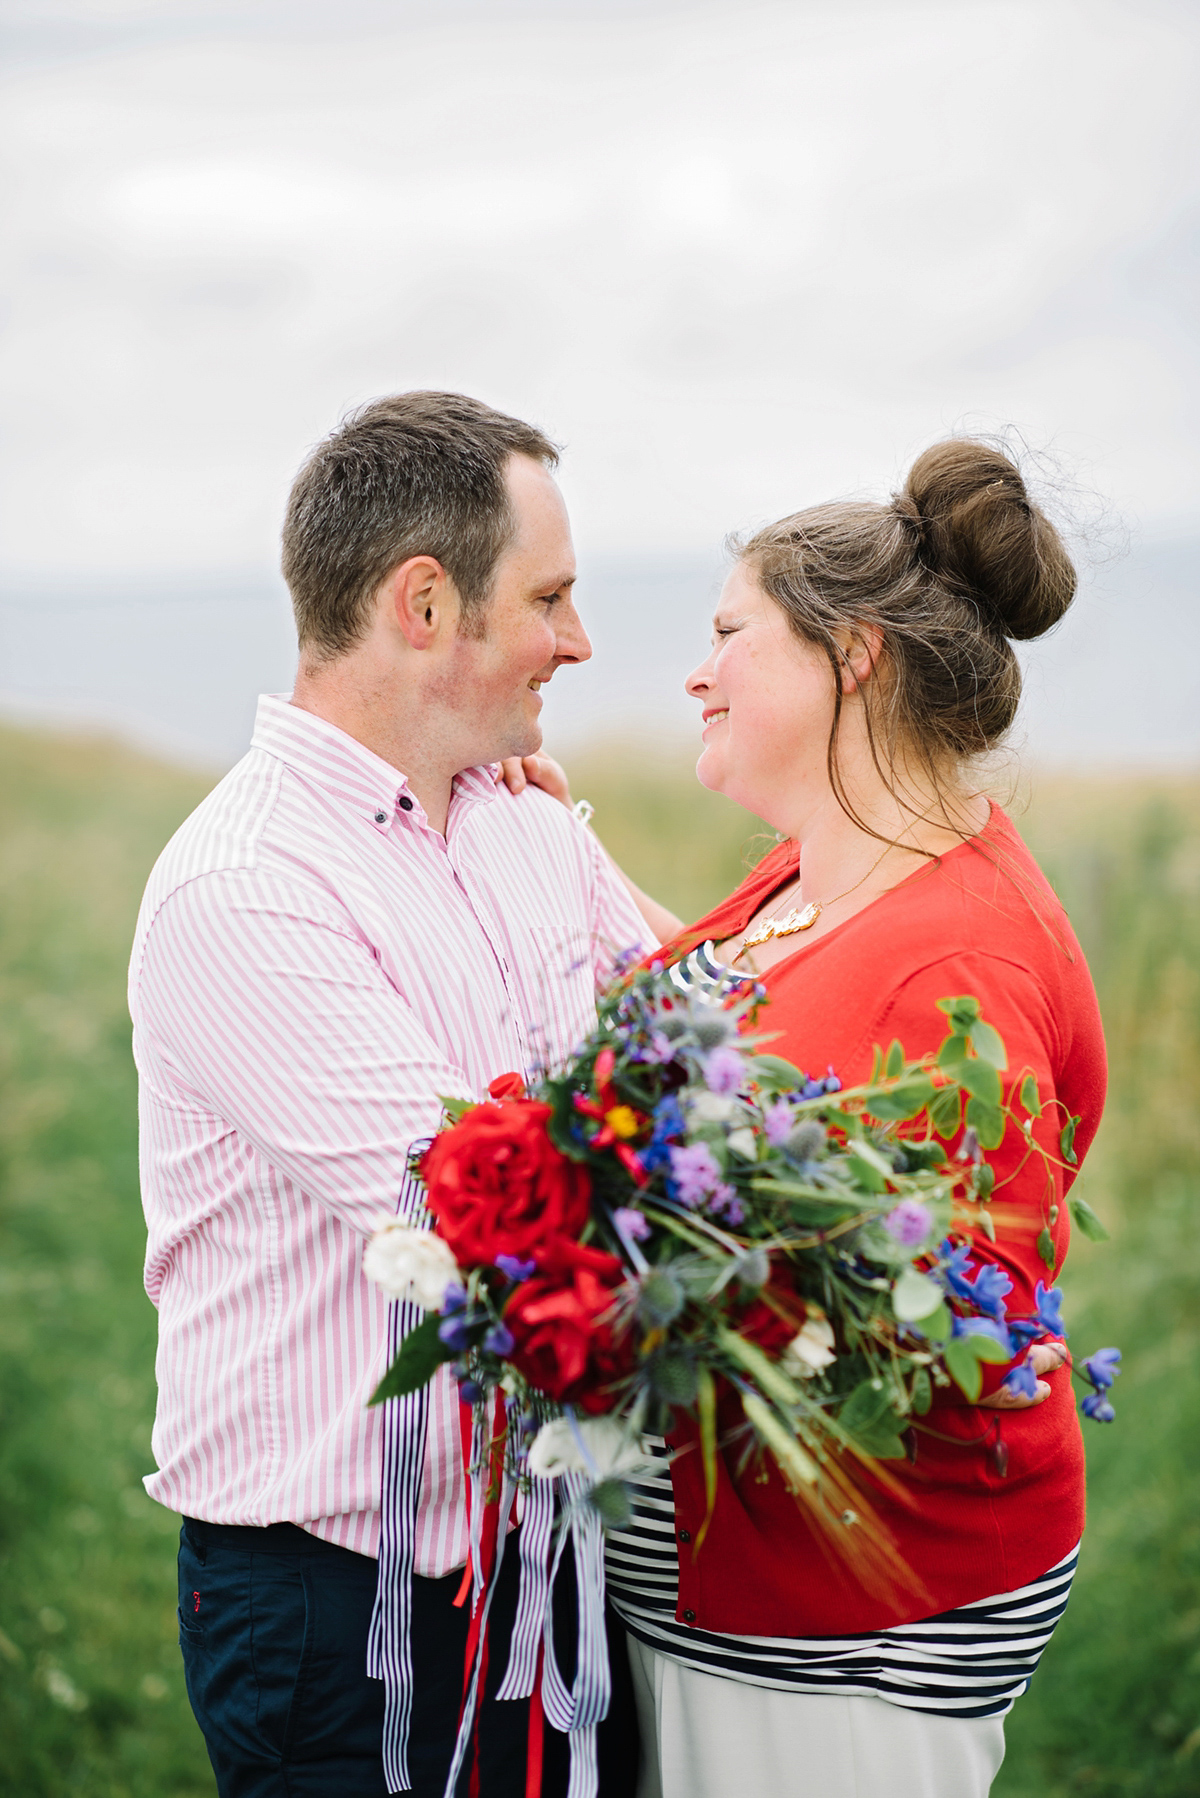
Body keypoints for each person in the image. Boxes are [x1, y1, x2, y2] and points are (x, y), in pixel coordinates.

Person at [519, 439, 1106, 1798]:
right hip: (756, 1594)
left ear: (853, 657)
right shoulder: (827, 876)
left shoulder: (954, 963)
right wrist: (572, 853)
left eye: (731, 634)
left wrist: (590, 1261)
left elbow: (942, 1326)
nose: (695, 669)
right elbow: (755, 1029)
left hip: (847, 1629)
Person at [127, 392, 658, 1797]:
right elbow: (492, 1204)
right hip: (335, 1610)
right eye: (551, 597)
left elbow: (708, 1026)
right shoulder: (247, 886)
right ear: (427, 602)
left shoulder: (524, 818)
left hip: (543, 1556)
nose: (580, 640)